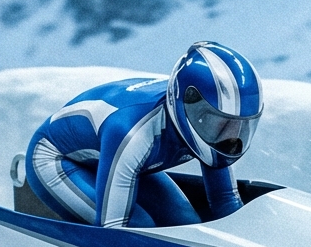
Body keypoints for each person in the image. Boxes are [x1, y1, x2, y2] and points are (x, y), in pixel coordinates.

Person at [24, 41, 263, 228]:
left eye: (240, 126)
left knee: (186, 223)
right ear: (188, 106)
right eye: (221, 123)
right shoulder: (132, 133)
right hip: (53, 158)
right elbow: (114, 228)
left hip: (108, 155)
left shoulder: (207, 127)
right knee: (140, 228)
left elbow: (225, 202)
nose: (230, 137)